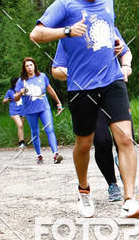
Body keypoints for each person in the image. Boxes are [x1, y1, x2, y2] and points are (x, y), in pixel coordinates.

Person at [30, 0, 139, 220]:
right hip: (82, 87)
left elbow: (108, 27)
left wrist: (116, 44)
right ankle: (84, 190)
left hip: (112, 81)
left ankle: (130, 199)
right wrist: (67, 31)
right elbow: (36, 35)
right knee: (84, 143)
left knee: (125, 139)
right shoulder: (65, 5)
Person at [51, 30, 133, 202]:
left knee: (125, 138)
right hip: (86, 94)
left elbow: (125, 52)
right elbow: (56, 70)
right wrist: (74, 71)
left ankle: (130, 196)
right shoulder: (70, 35)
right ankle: (112, 183)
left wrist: (126, 66)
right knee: (102, 141)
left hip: (111, 89)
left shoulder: (105, 24)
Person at [13, 58, 63, 164]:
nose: (30, 67)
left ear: (35, 66)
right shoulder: (21, 81)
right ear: (24, 68)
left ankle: (55, 154)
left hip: (44, 107)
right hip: (30, 110)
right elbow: (16, 98)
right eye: (27, 66)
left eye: (31, 65)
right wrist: (20, 92)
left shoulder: (42, 76)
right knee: (35, 132)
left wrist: (58, 102)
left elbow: (49, 89)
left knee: (49, 129)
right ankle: (39, 155)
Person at [3, 76, 27, 149]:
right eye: (17, 82)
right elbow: (4, 101)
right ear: (14, 83)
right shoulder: (10, 91)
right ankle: (21, 143)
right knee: (19, 125)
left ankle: (21, 143)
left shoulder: (23, 90)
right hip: (14, 111)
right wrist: (8, 100)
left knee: (21, 127)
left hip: (22, 110)